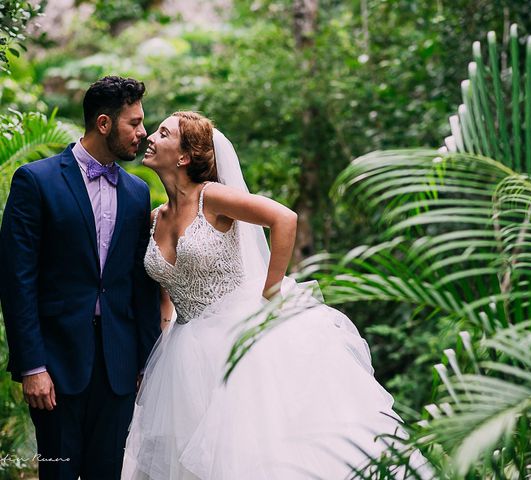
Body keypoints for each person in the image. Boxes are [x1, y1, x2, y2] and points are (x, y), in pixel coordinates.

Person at [122, 112, 429, 479]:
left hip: (237, 339)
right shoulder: (156, 217)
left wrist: (271, 290)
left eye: (163, 132)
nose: (150, 137)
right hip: (181, 351)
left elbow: (284, 219)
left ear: (184, 156)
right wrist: (162, 333)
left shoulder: (214, 197)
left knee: (252, 450)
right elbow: (167, 285)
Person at [0, 76, 161, 479]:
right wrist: (32, 365)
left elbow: (140, 284)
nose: (143, 133)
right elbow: (17, 281)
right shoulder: (35, 181)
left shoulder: (138, 192)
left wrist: (146, 361)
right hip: (55, 365)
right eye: (134, 123)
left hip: (119, 368)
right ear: (104, 124)